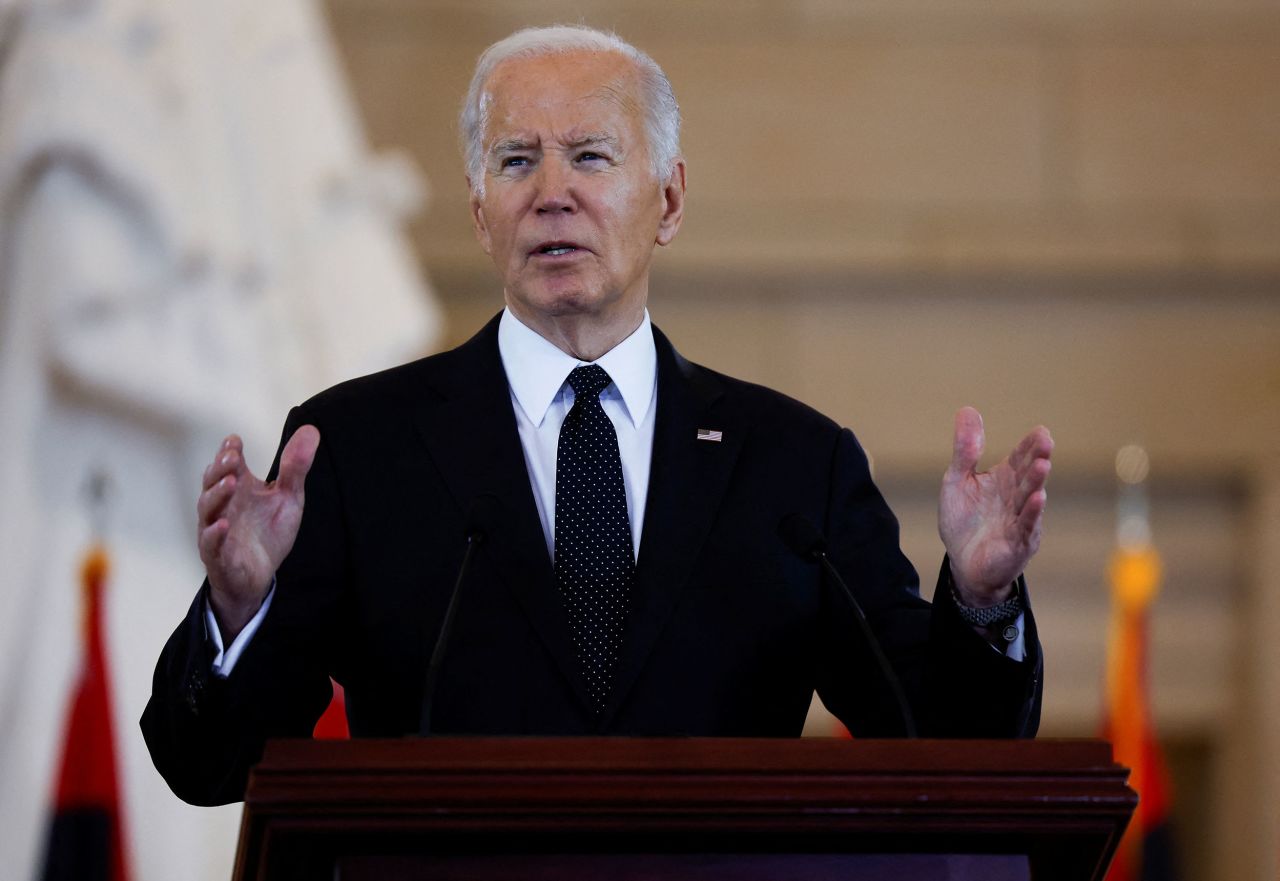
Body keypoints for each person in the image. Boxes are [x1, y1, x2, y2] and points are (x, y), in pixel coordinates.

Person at [142, 25, 1053, 807]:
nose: (551, 192)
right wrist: (237, 608)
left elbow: (941, 741)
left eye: (589, 156)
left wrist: (978, 602)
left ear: (669, 199)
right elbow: (210, 765)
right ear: (478, 211)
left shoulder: (791, 464)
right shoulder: (356, 448)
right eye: (515, 161)